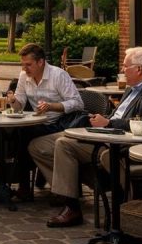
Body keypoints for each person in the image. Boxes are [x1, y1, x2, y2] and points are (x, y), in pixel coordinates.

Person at [32, 46, 142, 227]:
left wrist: (109, 124)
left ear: (139, 69)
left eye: (125, 67)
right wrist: (103, 121)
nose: (122, 71)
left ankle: (73, 207)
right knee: (43, 144)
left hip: (125, 145)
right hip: (108, 137)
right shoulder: (132, 89)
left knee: (65, 145)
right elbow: (118, 117)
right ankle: (71, 195)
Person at [6, 43, 85, 200]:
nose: (24, 69)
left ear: (41, 62)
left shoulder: (58, 75)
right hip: (39, 123)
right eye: (22, 65)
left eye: (28, 65)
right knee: (16, 133)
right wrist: (13, 100)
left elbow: (78, 103)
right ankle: (22, 185)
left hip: (60, 124)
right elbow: (19, 103)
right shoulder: (24, 76)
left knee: (23, 137)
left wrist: (52, 106)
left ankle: (24, 187)